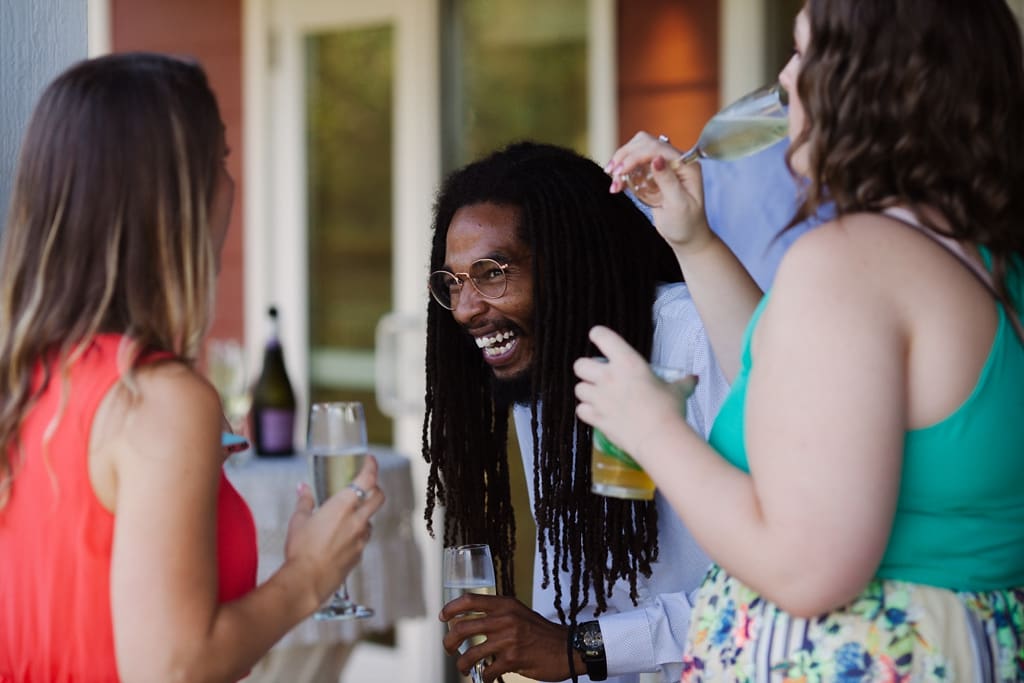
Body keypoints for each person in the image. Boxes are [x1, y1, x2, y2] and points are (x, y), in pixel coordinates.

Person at [576, 1, 1024, 680]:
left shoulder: (853, 263)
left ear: (871, 83)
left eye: (806, 53)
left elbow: (806, 567)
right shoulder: (985, 261)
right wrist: (694, 241)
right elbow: (801, 401)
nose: (786, 79)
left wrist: (653, 430)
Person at [0, 52, 384, 682]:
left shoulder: (31, 378)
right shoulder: (158, 400)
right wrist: (308, 577)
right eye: (221, 161)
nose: (230, 185)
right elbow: (174, 668)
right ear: (173, 199)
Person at [423, 140, 734, 683]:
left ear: (569, 265)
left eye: (492, 272)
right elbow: (570, 588)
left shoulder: (693, 340)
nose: (467, 308)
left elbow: (773, 587)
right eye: (453, 281)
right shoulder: (542, 360)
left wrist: (580, 648)